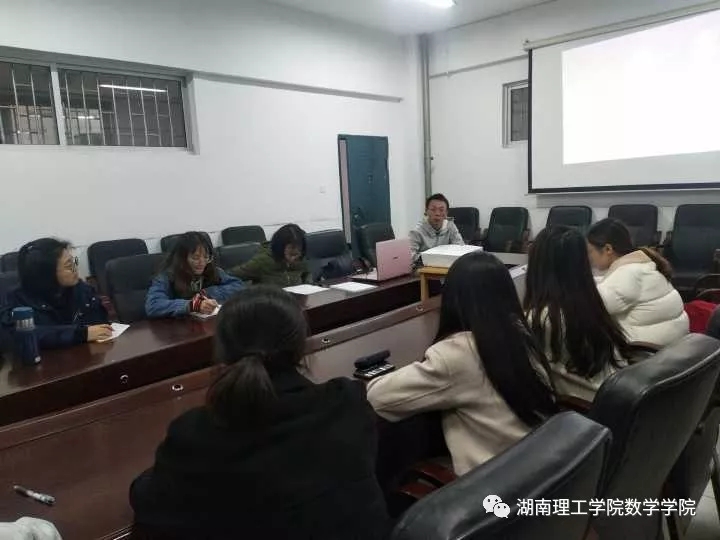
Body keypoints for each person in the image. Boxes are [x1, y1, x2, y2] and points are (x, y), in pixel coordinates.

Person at [130, 287, 389, 540]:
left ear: (221, 350)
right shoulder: (347, 402)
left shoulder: (194, 436)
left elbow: (147, 501)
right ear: (300, 346)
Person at [366, 251, 557, 476]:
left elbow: (377, 397)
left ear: (452, 299)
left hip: (496, 485)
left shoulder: (458, 353)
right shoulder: (521, 331)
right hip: (540, 467)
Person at [524, 226, 633, 402]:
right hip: (619, 397)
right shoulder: (590, 301)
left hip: (590, 409)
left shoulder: (541, 319)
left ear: (537, 266)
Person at [587, 218, 689, 347]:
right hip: (673, 345)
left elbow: (589, 307)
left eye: (590, 251)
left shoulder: (626, 274)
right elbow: (607, 285)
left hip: (644, 353)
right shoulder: (642, 264)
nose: (589, 257)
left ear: (608, 249)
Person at [0, 238, 112, 350]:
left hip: (84, 354)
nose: (75, 269)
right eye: (69, 266)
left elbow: (100, 324)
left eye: (74, 262)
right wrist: (80, 334)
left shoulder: (81, 289)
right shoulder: (16, 300)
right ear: (46, 274)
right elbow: (24, 336)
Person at [145, 232, 244, 318]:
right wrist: (193, 305)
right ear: (182, 258)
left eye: (206, 257)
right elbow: (153, 306)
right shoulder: (166, 276)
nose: (202, 262)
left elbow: (238, 286)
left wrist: (207, 293)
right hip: (177, 327)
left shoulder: (211, 269)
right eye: (195, 258)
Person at [230, 224, 311, 286]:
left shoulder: (300, 259)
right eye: (290, 254)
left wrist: (309, 285)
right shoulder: (262, 261)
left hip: (296, 300)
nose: (293, 259)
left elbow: (307, 273)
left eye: (296, 255)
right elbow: (229, 277)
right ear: (280, 247)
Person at [408, 193, 464, 266]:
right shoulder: (416, 231)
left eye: (441, 210)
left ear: (446, 213)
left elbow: (460, 248)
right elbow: (410, 256)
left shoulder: (450, 226)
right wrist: (430, 258)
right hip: (426, 268)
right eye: (433, 209)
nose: (437, 213)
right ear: (426, 211)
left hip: (448, 266)